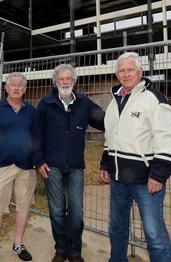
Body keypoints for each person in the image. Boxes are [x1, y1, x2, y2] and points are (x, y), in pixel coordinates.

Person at [99, 52, 171, 262]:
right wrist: (105, 163)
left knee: (154, 234)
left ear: (140, 71)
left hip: (146, 181)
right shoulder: (114, 101)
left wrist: (159, 175)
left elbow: (167, 139)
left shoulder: (154, 99)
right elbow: (111, 136)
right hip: (118, 180)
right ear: (117, 74)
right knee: (116, 228)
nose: (126, 74)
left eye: (130, 70)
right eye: (121, 71)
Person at [33, 64, 104, 262]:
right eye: (61, 79)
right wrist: (38, 161)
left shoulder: (84, 103)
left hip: (75, 167)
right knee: (56, 211)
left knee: (76, 212)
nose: (65, 82)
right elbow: (36, 134)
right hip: (52, 166)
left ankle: (75, 252)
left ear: (74, 81)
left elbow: (104, 121)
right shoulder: (45, 104)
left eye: (69, 79)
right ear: (55, 82)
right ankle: (60, 250)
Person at [0, 72, 39, 262]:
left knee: (23, 206)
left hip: (26, 167)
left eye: (20, 85)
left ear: (25, 89)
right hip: (1, 167)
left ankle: (18, 243)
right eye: (12, 85)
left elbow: (37, 138)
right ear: (6, 88)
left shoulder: (31, 111)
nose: (16, 88)